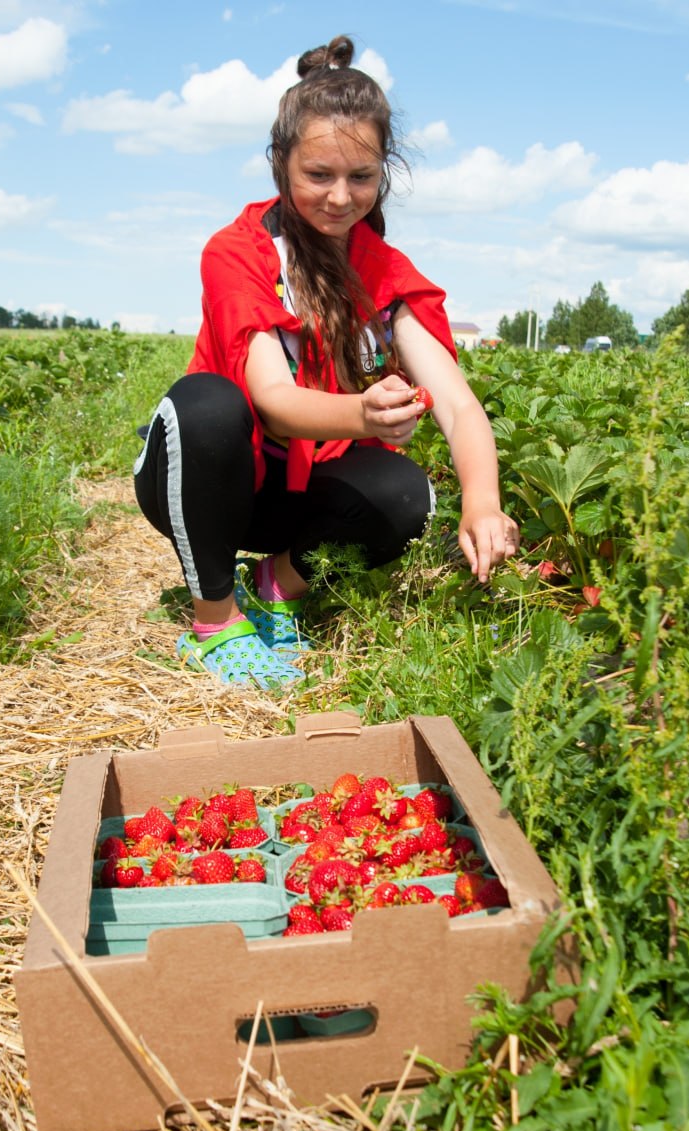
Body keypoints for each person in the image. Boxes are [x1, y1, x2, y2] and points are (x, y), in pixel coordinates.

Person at [134, 33, 518, 688]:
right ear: (281, 165)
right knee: (208, 406)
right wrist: (363, 414)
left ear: (383, 173)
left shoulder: (386, 273)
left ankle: (275, 586)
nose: (341, 197)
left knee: (407, 494)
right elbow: (270, 399)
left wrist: (483, 501)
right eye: (319, 176)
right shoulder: (240, 253)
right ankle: (215, 620)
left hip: (299, 496)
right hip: (212, 480)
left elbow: (456, 403)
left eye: (361, 177)